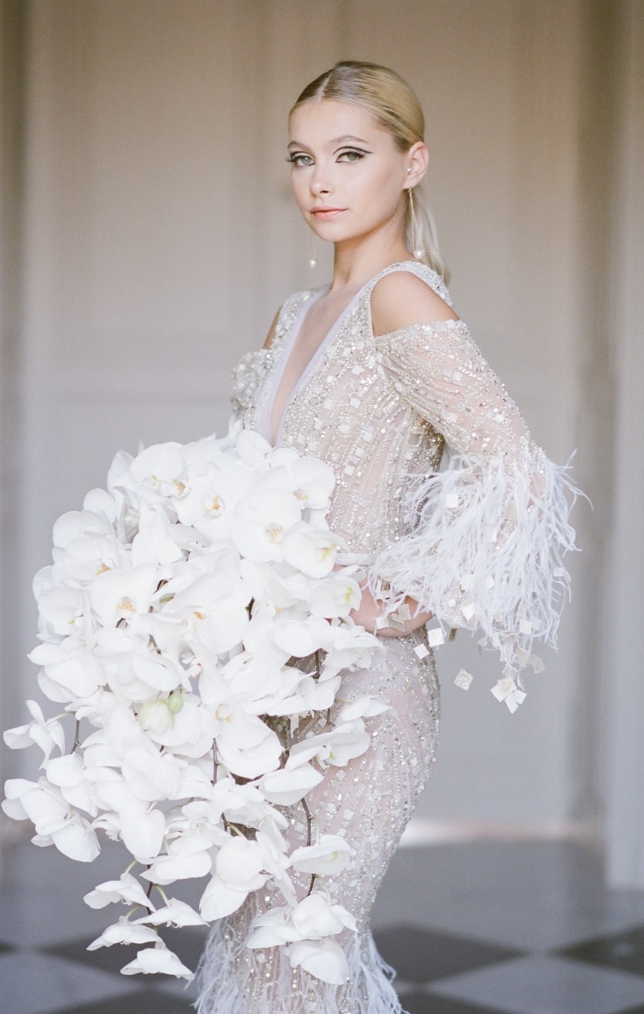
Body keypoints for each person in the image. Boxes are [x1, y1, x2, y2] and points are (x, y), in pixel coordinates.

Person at [194, 60, 578, 1013]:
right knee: (253, 950)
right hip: (262, 681)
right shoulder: (292, 316)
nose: (319, 181)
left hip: (364, 694)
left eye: (350, 155)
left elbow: (522, 475)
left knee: (301, 950)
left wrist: (405, 597)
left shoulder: (403, 300)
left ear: (412, 165)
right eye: (302, 157)